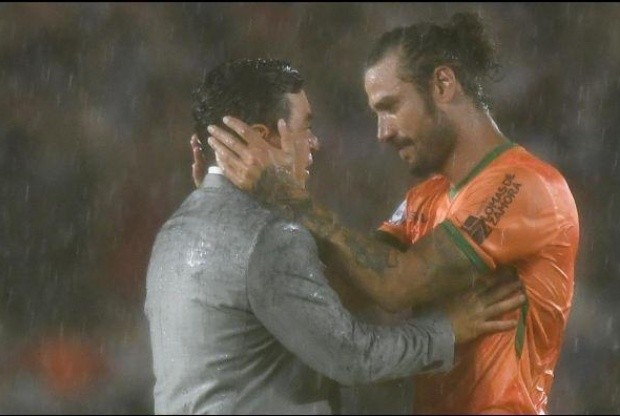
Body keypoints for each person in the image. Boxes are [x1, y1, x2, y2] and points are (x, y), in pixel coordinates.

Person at [202, 12, 580, 414]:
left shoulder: (527, 186)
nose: (382, 132)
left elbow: (397, 285)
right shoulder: (424, 198)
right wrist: (241, 203)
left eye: (391, 107)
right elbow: (342, 287)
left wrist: (285, 195)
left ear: (442, 84)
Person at [146, 57, 526, 414]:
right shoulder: (271, 237)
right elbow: (351, 356)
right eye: (305, 126)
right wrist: (447, 329)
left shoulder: (174, 231)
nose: (314, 143)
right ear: (264, 137)